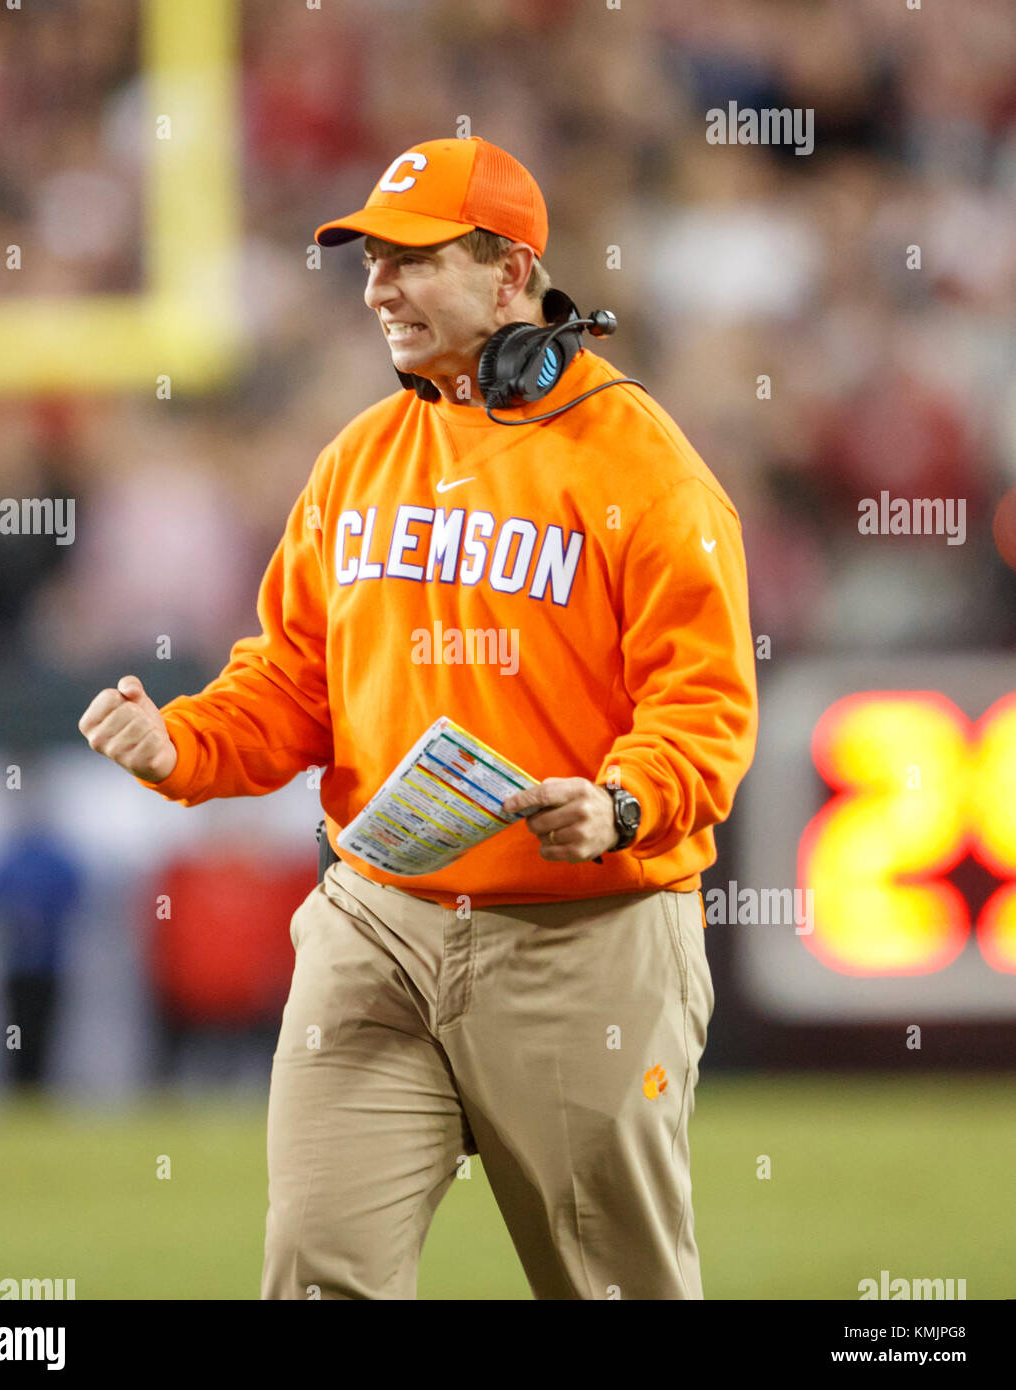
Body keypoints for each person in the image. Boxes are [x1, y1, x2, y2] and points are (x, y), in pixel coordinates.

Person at [78, 136, 759, 1300]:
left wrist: (622, 800)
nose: (377, 288)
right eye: (367, 263)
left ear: (510, 273)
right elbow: (293, 681)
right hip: (374, 925)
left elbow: (701, 701)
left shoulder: (642, 467)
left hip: (579, 943)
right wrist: (182, 742)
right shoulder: (360, 458)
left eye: (411, 260)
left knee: (613, 1286)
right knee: (317, 1272)